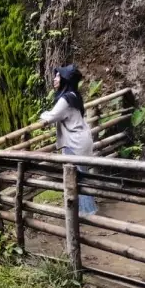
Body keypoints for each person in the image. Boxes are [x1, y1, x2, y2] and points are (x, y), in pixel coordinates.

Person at [40, 64, 98, 215]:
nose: (55, 79)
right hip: (82, 139)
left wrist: (42, 116)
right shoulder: (75, 95)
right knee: (82, 176)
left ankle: (87, 214)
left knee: (76, 179)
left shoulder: (66, 99)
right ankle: (87, 211)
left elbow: (51, 117)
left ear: (65, 80)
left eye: (58, 76)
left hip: (74, 142)